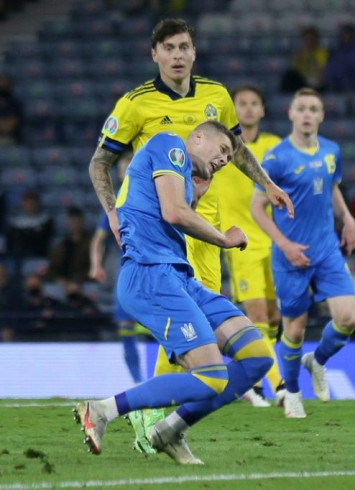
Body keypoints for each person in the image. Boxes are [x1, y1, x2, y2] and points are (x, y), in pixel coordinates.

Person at [90, 18, 293, 454]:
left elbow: (235, 150)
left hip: (205, 228)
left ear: (194, 53)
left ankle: (169, 424)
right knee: (186, 331)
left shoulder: (216, 97)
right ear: (156, 55)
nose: (178, 55)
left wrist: (267, 185)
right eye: (169, 48)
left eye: (185, 47)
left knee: (212, 336)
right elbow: (99, 163)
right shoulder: (136, 104)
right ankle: (144, 414)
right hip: (161, 229)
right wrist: (111, 211)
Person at [74, 121, 274, 465]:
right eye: (222, 150)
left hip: (180, 277)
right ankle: (104, 409)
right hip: (150, 275)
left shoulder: (182, 175)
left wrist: (194, 194)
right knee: (211, 377)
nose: (226, 159)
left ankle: (169, 431)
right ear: (197, 137)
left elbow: (172, 212)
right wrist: (224, 238)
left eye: (229, 155)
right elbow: (173, 213)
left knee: (257, 357)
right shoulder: (169, 143)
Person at [251, 88, 355, 418]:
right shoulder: (276, 157)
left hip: (327, 249)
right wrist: (283, 244)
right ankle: (294, 393)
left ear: (322, 115)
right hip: (291, 255)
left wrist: (349, 218)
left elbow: (332, 186)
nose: (308, 114)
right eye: (302, 108)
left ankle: (319, 361)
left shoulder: (332, 151)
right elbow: (257, 208)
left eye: (314, 108)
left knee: (348, 318)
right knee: (294, 331)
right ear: (291, 114)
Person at [211, 85, 284, 408]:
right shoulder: (220, 148)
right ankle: (280, 386)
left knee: (274, 317)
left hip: (276, 240)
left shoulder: (274, 146)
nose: (249, 109)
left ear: (263, 110)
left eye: (255, 103)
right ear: (233, 110)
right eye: (242, 104)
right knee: (255, 314)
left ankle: (250, 382)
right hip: (241, 242)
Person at [89, 151, 145, 385]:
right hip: (128, 272)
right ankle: (138, 383)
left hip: (152, 270)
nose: (129, 170)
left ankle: (172, 380)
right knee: (126, 330)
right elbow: (98, 238)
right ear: (121, 174)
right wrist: (95, 264)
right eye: (125, 167)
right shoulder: (116, 202)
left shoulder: (154, 196)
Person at [46, 207, 92, 285]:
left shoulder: (90, 244)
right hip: (61, 280)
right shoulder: (61, 244)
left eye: (77, 221)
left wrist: (76, 279)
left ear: (82, 222)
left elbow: (90, 267)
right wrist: (58, 278)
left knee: (73, 289)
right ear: (67, 223)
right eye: (72, 221)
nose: (75, 225)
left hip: (80, 281)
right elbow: (53, 266)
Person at [324, 24, 355, 93]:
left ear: (354, 36)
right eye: (345, 35)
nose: (347, 38)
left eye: (350, 35)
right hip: (338, 91)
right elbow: (331, 72)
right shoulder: (335, 53)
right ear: (341, 36)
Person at [7, 190, 54, 258]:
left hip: (39, 256)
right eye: (27, 203)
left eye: (32, 203)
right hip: (18, 256)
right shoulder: (16, 222)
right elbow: (11, 242)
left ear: (37, 203)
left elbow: (43, 241)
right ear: (23, 204)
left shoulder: (46, 221)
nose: (30, 205)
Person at [281, 26, 328, 92]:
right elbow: (294, 67)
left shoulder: (322, 52)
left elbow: (321, 70)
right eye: (306, 39)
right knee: (289, 75)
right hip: (303, 81)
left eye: (311, 39)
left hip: (316, 83)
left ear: (316, 40)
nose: (309, 42)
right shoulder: (301, 53)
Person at [0, 74, 22, 145]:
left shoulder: (14, 102)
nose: (2, 83)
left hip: (12, 138)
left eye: (4, 81)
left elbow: (10, 126)